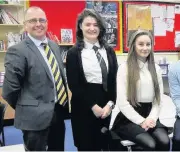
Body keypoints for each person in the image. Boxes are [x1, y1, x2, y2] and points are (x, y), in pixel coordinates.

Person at [2, 6, 69, 151]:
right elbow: (9, 90)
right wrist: (27, 106)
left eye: (42, 20)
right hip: (33, 120)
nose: (38, 24)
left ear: (47, 22)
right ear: (25, 25)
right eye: (33, 20)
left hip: (57, 113)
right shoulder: (18, 51)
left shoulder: (54, 46)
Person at [66, 9, 118, 151]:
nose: (92, 28)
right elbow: (74, 85)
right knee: (87, 146)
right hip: (83, 106)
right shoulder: (73, 53)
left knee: (105, 144)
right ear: (80, 27)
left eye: (95, 25)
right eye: (87, 24)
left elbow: (114, 80)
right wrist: (93, 106)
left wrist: (110, 104)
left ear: (100, 28)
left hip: (106, 106)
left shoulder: (109, 51)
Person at [111, 30, 170, 151]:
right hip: (128, 118)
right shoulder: (124, 68)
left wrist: (152, 118)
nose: (145, 48)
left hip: (150, 115)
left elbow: (158, 100)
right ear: (133, 45)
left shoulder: (156, 69)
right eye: (141, 44)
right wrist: (142, 121)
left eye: (148, 44)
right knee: (150, 144)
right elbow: (122, 103)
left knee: (164, 141)